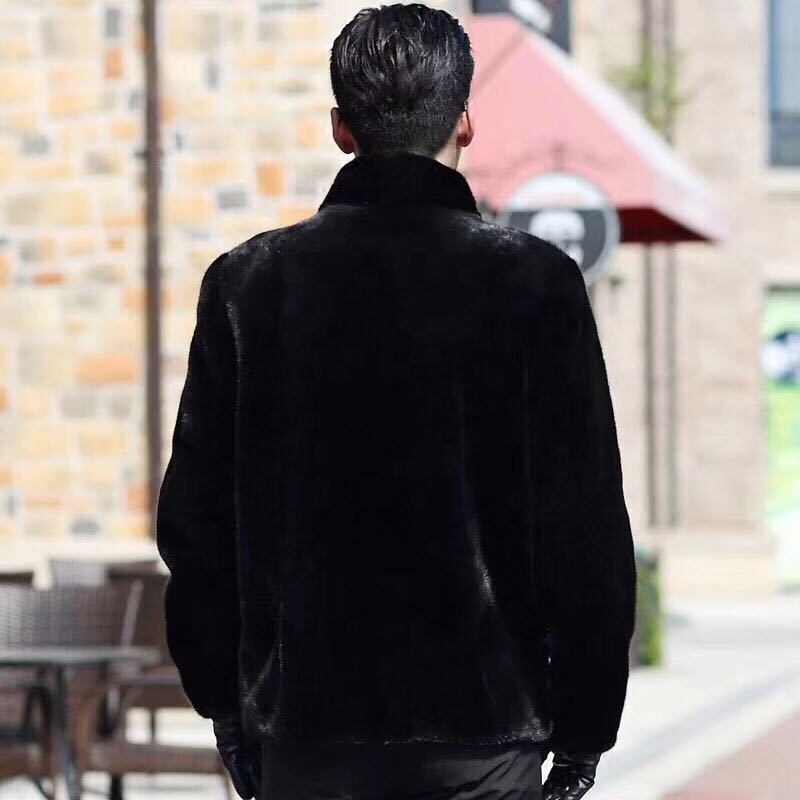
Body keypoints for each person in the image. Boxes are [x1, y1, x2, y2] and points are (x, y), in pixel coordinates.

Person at [155, 4, 637, 800]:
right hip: (485, 736)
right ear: (466, 121)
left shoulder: (249, 284)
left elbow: (197, 526)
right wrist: (585, 731)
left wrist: (226, 708)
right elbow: (583, 525)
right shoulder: (535, 284)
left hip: (306, 736)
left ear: (340, 129)